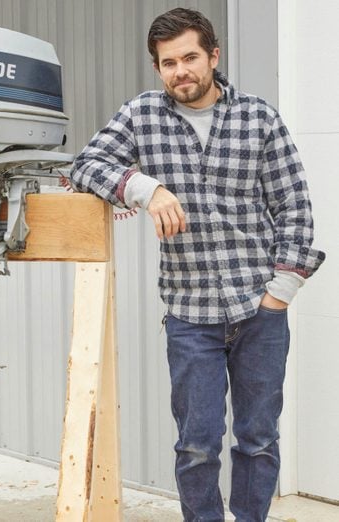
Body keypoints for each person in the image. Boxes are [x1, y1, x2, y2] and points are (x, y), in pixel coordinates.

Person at [70, 7, 325, 522]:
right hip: (190, 315)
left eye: (189, 57)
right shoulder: (142, 115)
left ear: (213, 55)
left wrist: (280, 293)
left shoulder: (259, 118)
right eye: (168, 63)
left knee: (257, 439)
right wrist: (146, 188)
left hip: (260, 310)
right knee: (196, 445)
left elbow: (294, 205)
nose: (180, 71)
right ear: (158, 68)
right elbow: (84, 165)